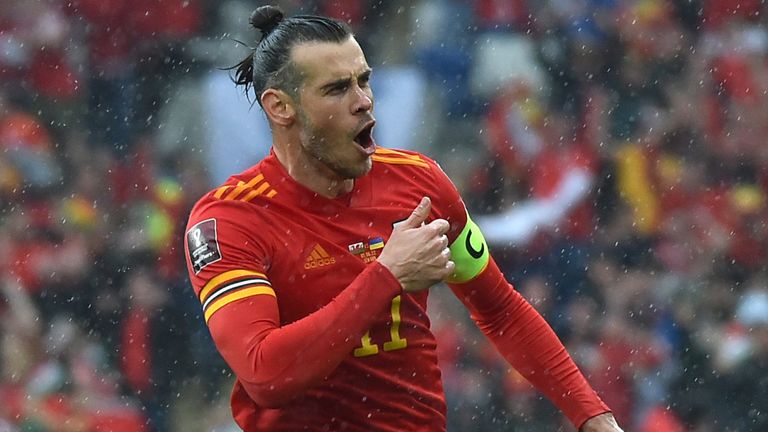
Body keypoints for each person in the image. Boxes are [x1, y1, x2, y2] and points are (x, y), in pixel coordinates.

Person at [183, 5, 623, 431]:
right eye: (337, 89)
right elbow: (266, 375)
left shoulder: (418, 183)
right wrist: (386, 274)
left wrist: (592, 415)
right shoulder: (229, 220)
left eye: (364, 81)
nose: (364, 102)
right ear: (280, 107)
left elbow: (500, 309)